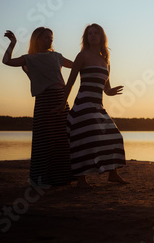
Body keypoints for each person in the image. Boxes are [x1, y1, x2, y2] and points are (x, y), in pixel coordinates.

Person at [57, 23, 127, 188]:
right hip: (83, 104)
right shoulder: (82, 56)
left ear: (102, 37)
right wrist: (62, 104)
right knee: (84, 139)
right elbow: (71, 82)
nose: (93, 35)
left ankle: (113, 174)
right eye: (90, 34)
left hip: (97, 105)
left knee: (115, 136)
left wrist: (111, 92)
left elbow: (106, 88)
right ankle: (82, 180)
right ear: (86, 38)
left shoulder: (106, 60)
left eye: (96, 33)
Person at [2, 27, 73, 186]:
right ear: (37, 39)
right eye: (46, 37)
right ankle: (41, 180)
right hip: (43, 101)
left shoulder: (57, 56)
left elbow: (77, 66)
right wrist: (13, 43)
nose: (50, 40)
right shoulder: (29, 58)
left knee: (63, 139)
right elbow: (6, 61)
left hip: (61, 99)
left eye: (51, 37)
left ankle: (63, 179)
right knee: (44, 141)